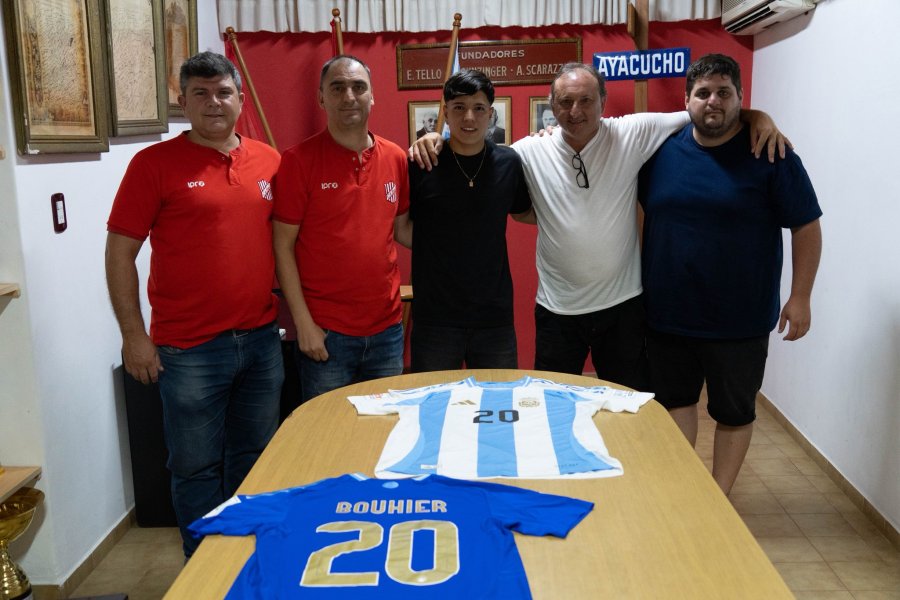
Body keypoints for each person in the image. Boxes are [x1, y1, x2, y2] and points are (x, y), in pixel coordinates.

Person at [411, 62, 785, 390]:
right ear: (551, 108)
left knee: (627, 405)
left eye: (586, 100)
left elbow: (703, 111)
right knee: (553, 404)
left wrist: (756, 116)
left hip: (622, 308)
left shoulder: (632, 132)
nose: (575, 111)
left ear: (603, 102)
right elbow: (487, 166)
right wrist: (433, 139)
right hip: (557, 310)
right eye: (565, 102)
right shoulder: (525, 152)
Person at [105, 51, 283, 557]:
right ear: (182, 101)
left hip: (260, 340)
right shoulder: (152, 165)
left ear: (240, 100)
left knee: (255, 457)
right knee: (195, 467)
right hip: (189, 350)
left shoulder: (269, 160)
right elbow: (120, 252)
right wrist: (134, 336)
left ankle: (249, 557)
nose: (213, 102)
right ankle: (204, 567)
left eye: (223, 92)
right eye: (200, 93)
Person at [639, 54, 822, 495]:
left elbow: (806, 226)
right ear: (687, 100)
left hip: (740, 318)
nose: (713, 101)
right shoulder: (659, 152)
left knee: (734, 412)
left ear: (741, 98)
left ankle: (719, 497)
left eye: (724, 92)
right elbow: (641, 213)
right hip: (668, 313)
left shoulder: (771, 154)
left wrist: (800, 297)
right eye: (703, 93)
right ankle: (686, 490)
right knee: (676, 403)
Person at [273, 55, 410, 402]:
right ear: (322, 98)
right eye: (337, 88)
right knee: (328, 438)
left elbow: (402, 230)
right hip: (326, 333)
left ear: (372, 96)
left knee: (384, 433)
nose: (349, 96)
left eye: (358, 87)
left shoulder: (395, 157)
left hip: (387, 329)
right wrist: (304, 324)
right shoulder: (298, 161)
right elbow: (282, 246)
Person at [408, 69, 532, 371]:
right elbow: (401, 229)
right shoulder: (423, 162)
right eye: (459, 108)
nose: (469, 118)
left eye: (478, 109)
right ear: (445, 112)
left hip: (494, 319)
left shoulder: (508, 163)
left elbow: (523, 212)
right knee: (433, 410)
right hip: (435, 319)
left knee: (499, 408)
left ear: (491, 114)